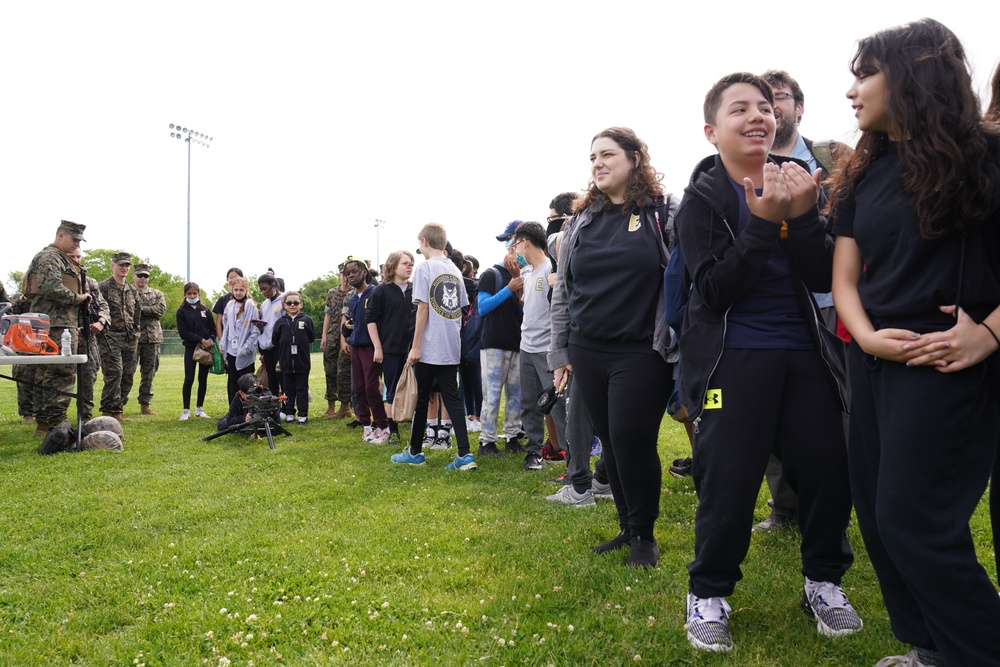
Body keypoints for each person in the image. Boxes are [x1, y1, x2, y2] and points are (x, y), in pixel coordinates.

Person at [829, 20, 1000, 666]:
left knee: (914, 519)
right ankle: (930, 647)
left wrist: (986, 335)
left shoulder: (984, 155)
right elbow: (845, 276)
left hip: (946, 360)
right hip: (873, 358)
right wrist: (870, 338)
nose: (852, 90)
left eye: (864, 72)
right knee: (876, 515)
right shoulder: (864, 170)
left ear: (911, 74)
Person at [676, 74, 859, 653]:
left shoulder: (803, 181)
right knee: (728, 479)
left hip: (805, 352)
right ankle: (707, 593)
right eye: (740, 109)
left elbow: (819, 274)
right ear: (713, 131)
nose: (758, 116)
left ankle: (823, 583)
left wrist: (803, 217)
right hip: (733, 359)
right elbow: (713, 291)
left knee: (829, 469)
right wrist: (761, 222)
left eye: (764, 106)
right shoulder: (702, 199)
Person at [548, 128, 675, 568]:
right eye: (592, 158)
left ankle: (644, 536)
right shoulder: (581, 220)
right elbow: (563, 290)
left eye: (607, 155)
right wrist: (559, 352)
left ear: (635, 158)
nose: (597, 164)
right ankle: (627, 526)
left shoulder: (663, 213)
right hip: (588, 349)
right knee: (614, 444)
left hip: (642, 349)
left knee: (631, 438)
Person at [752, 69, 854, 532]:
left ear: (799, 106)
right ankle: (786, 506)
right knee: (772, 408)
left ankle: (844, 502)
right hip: (773, 306)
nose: (772, 108)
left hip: (833, 299)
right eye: (762, 100)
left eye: (779, 98)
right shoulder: (742, 165)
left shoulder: (834, 158)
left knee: (841, 406)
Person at [391, 222, 475, 471]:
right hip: (451, 344)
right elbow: (461, 308)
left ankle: (416, 453)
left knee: (422, 399)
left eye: (420, 244)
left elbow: (423, 307)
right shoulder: (455, 269)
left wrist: (415, 347)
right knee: (452, 399)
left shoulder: (425, 268)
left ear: (425, 242)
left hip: (429, 345)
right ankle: (464, 455)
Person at [20, 221, 92, 435]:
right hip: (55, 324)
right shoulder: (50, 257)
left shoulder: (60, 258)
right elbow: (50, 287)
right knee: (60, 372)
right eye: (75, 239)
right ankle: (55, 424)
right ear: (60, 235)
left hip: (59, 323)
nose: (77, 243)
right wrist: (79, 298)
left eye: (80, 240)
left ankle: (46, 424)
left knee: (49, 373)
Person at [510, 221, 568, 474]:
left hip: (547, 350)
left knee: (556, 403)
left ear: (524, 242)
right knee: (530, 403)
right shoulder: (527, 273)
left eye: (515, 243)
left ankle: (571, 453)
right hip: (526, 346)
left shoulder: (550, 270)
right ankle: (534, 451)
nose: (515, 249)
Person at [476, 222, 525, 456]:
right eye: (509, 241)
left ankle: (512, 437)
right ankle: (487, 441)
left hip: (517, 343)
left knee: (516, 394)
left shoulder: (527, 274)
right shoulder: (490, 274)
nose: (511, 245)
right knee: (492, 395)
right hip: (493, 344)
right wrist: (509, 288)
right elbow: (483, 307)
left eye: (512, 239)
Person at [366, 250, 415, 446]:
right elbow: (371, 320)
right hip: (391, 349)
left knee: (417, 389)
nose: (409, 266)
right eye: (405, 263)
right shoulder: (381, 290)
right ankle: (393, 431)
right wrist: (378, 347)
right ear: (393, 266)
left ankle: (418, 427)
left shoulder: (417, 288)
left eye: (411, 263)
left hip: (414, 349)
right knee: (392, 390)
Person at [344, 258, 390, 444]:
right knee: (359, 388)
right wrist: (346, 328)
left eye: (354, 271)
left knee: (372, 387)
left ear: (364, 272)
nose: (351, 275)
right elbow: (351, 322)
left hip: (372, 347)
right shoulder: (353, 298)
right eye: (348, 273)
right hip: (355, 346)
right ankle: (366, 426)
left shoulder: (375, 292)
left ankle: (383, 425)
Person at [98, 252, 140, 421]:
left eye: (127, 265)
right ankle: (109, 411)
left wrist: (136, 331)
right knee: (114, 373)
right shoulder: (103, 287)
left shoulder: (131, 290)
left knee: (128, 375)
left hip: (130, 338)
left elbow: (137, 312)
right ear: (112, 265)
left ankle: (118, 408)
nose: (124, 268)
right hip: (110, 338)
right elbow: (97, 309)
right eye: (121, 265)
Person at [69, 247, 110, 422]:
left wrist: (101, 321)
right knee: (60, 375)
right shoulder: (59, 281)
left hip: (88, 334)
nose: (76, 260)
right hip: (65, 333)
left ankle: (85, 415)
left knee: (89, 373)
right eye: (72, 256)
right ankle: (52, 417)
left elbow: (103, 305)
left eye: (79, 256)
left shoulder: (90, 282)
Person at [271, 290, 315, 423]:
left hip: (302, 362)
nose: (292, 305)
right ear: (284, 305)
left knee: (302, 388)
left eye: (295, 303)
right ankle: (289, 412)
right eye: (289, 303)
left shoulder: (307, 320)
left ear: (301, 304)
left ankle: (303, 414)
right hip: (286, 362)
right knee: (288, 389)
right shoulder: (280, 322)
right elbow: (275, 340)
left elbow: (311, 337)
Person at [176, 282, 215, 420]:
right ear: (185, 295)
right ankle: (186, 410)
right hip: (191, 348)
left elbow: (213, 329)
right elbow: (183, 332)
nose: (192, 296)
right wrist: (200, 340)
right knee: (189, 378)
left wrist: (210, 340)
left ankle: (200, 408)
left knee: (202, 379)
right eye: (189, 294)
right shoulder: (181, 311)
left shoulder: (206, 310)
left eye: (195, 293)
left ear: (199, 294)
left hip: (206, 350)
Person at [220, 276, 261, 404]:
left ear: (246, 290)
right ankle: (233, 408)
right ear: (232, 290)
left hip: (244, 350)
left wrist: (246, 347)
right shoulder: (229, 305)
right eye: (236, 290)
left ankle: (247, 409)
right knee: (233, 380)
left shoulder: (250, 306)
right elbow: (225, 325)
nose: (238, 292)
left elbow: (254, 330)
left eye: (241, 290)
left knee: (246, 381)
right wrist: (223, 344)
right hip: (231, 350)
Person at [320, 264, 354, 419]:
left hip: (347, 333)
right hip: (332, 333)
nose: (346, 277)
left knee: (344, 370)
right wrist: (324, 335)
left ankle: (346, 405)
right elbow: (327, 314)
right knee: (330, 369)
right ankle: (331, 406)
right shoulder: (332, 292)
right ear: (338, 275)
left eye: (348, 274)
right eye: (343, 274)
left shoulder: (354, 292)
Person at [133, 263, 166, 416]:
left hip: (152, 338)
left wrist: (140, 309)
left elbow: (160, 310)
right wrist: (149, 310)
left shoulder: (156, 293)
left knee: (149, 373)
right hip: (132, 338)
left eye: (145, 276)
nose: (143, 278)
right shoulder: (128, 292)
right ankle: (117, 405)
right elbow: (126, 310)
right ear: (134, 276)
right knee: (126, 372)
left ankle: (145, 405)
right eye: (140, 275)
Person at [255, 273, 285, 399]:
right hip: (267, 346)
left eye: (265, 288)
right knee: (271, 377)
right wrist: (259, 325)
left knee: (282, 376)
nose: (263, 292)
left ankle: (287, 407)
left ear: (274, 286)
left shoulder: (285, 300)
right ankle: (274, 406)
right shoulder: (264, 304)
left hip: (280, 345)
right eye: (261, 289)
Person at [212, 267, 243, 341]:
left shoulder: (248, 300)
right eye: (230, 278)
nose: (232, 280)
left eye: (235, 277)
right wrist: (221, 341)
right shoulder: (223, 299)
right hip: (228, 340)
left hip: (244, 339)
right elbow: (219, 323)